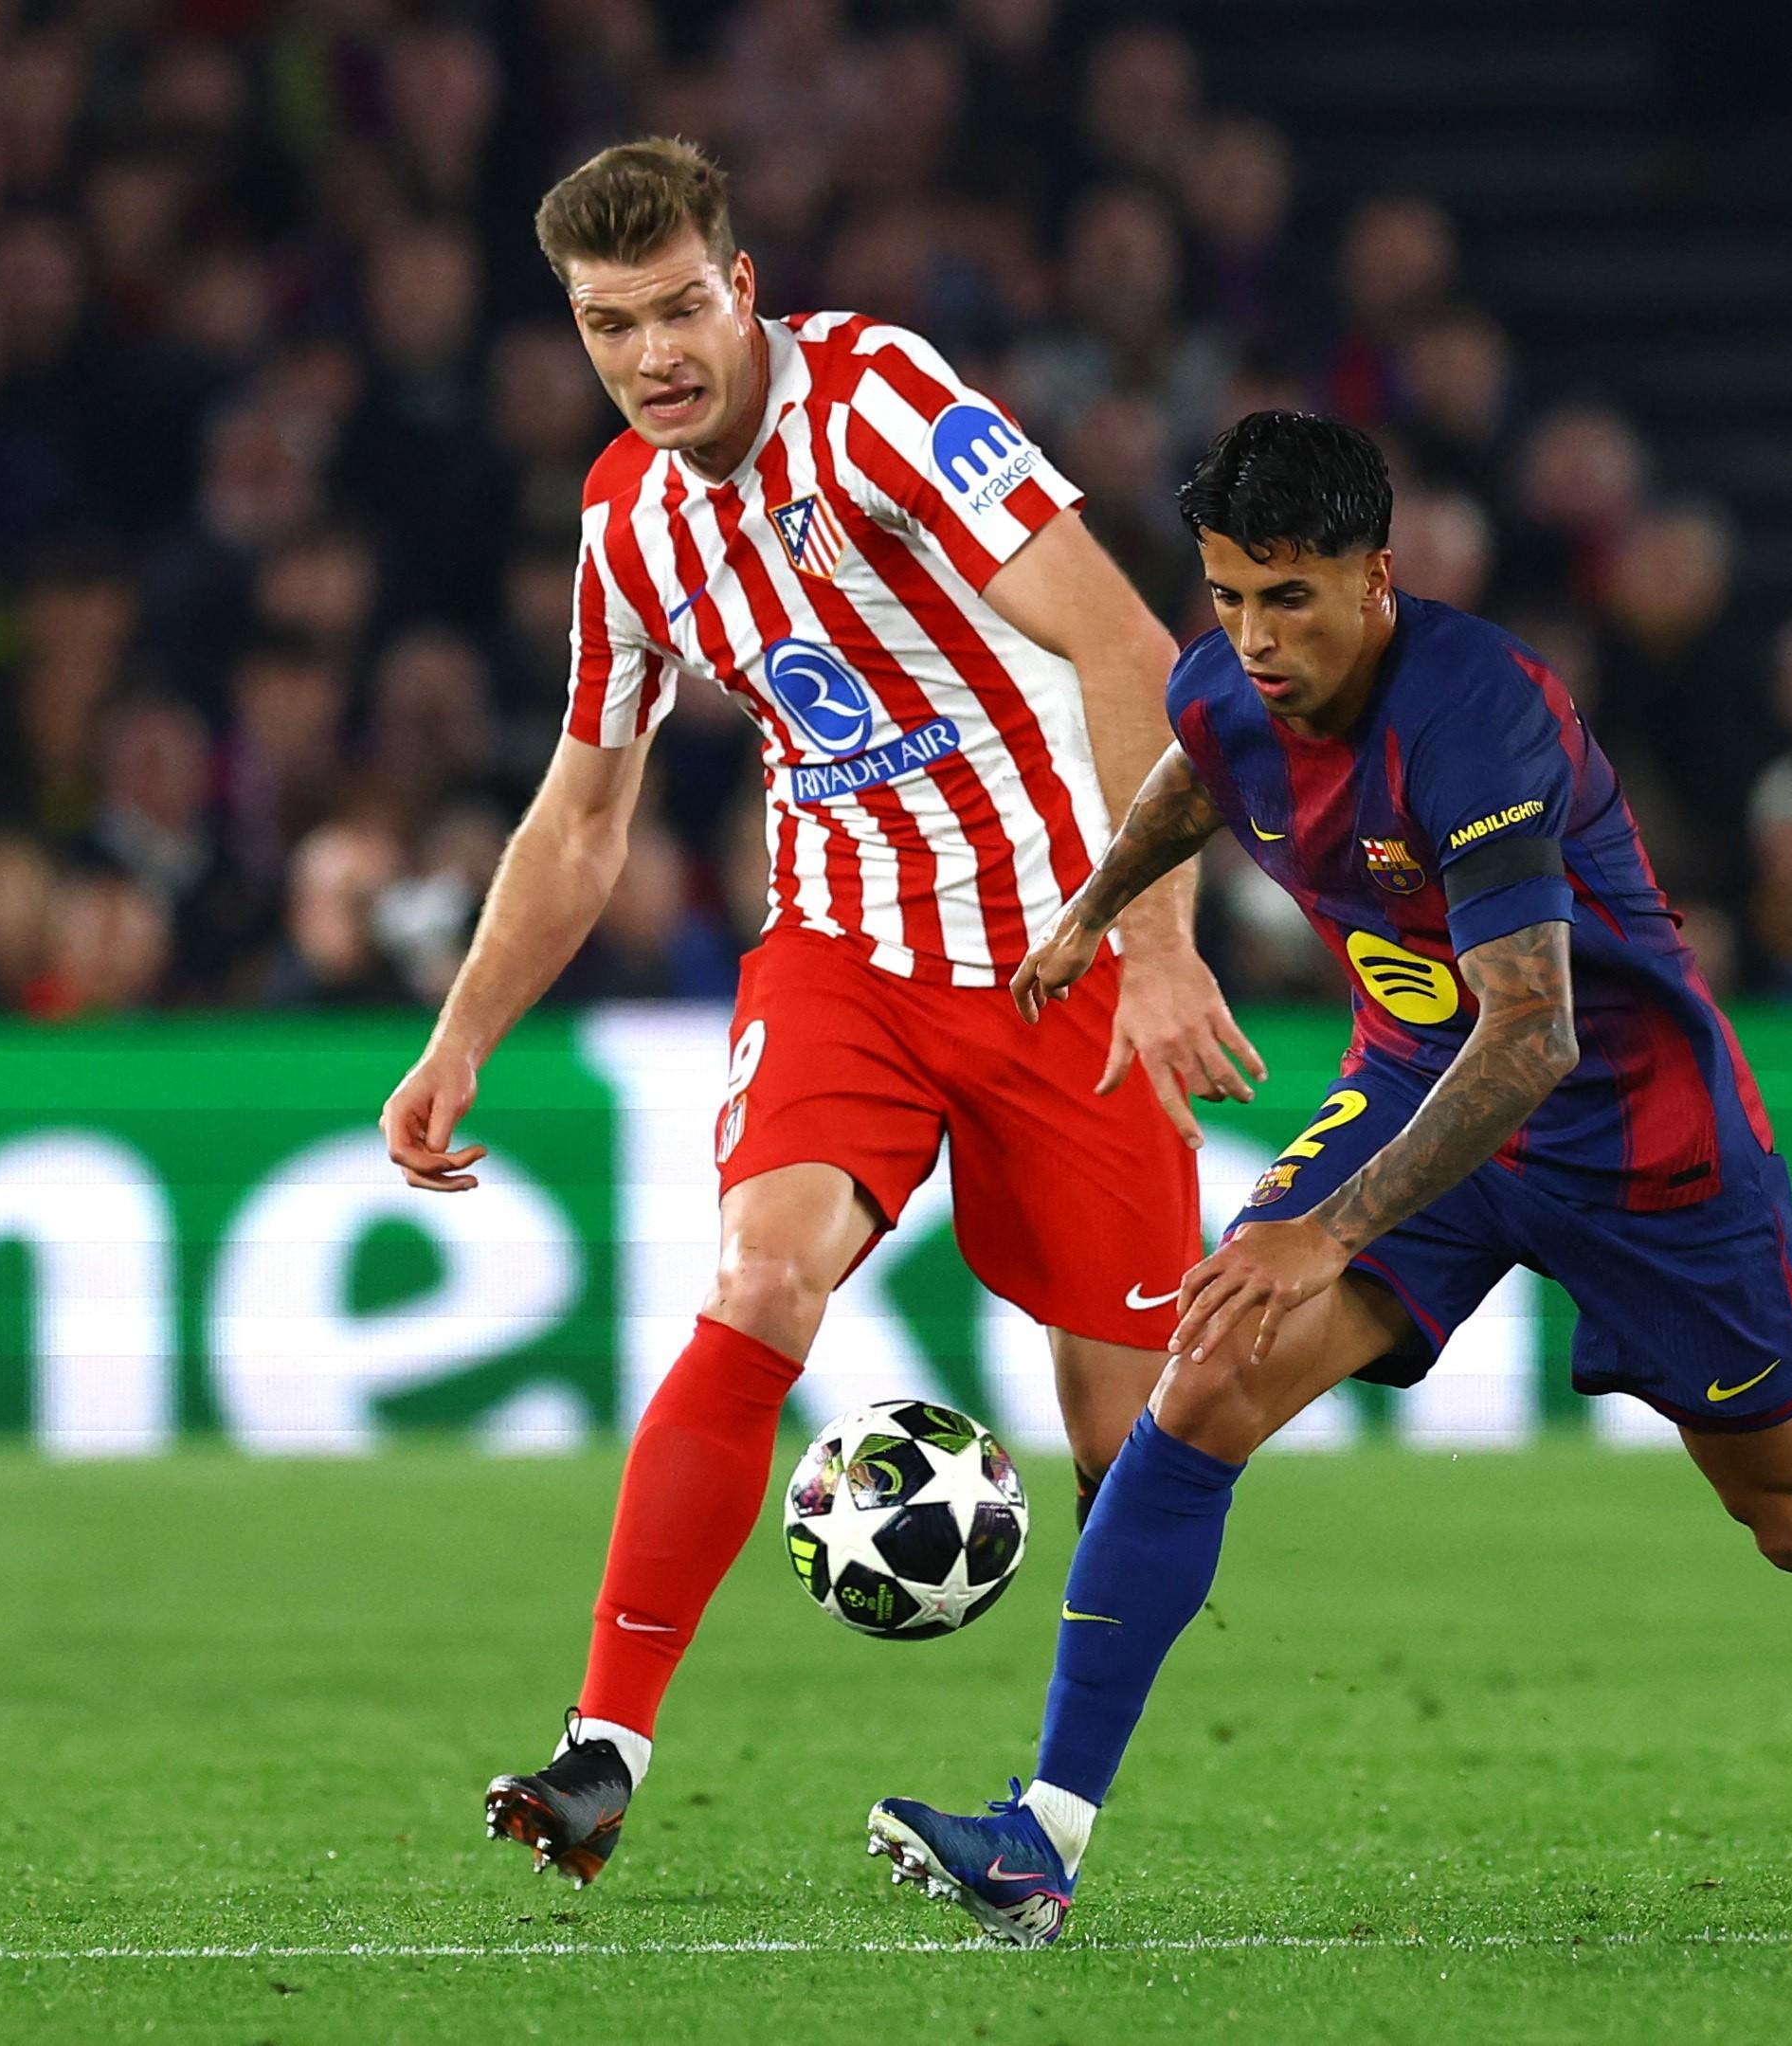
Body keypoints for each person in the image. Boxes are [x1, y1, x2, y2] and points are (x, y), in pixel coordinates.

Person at [865, 414, 1792, 1946]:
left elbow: (1538, 1034)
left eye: (1290, 598)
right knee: (1206, 1376)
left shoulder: (1477, 718)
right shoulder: (1229, 682)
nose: (1256, 638)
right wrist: (1099, 906)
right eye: (1228, 596)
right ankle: (1042, 1841)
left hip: (1633, 1136)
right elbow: (1194, 769)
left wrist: (1328, 1232)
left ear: (1377, 575)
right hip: (1417, 1083)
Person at [375, 139, 1257, 1889]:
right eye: (609, 326)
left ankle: (1048, 1829)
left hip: (1065, 958)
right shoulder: (627, 524)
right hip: (845, 957)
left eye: (677, 310)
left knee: (1137, 1442)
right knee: (763, 1280)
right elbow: (583, 812)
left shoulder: (880, 404)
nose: (651, 358)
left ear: (743, 288)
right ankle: (601, 1753)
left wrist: (1156, 946)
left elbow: (1126, 649)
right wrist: (460, 1034)